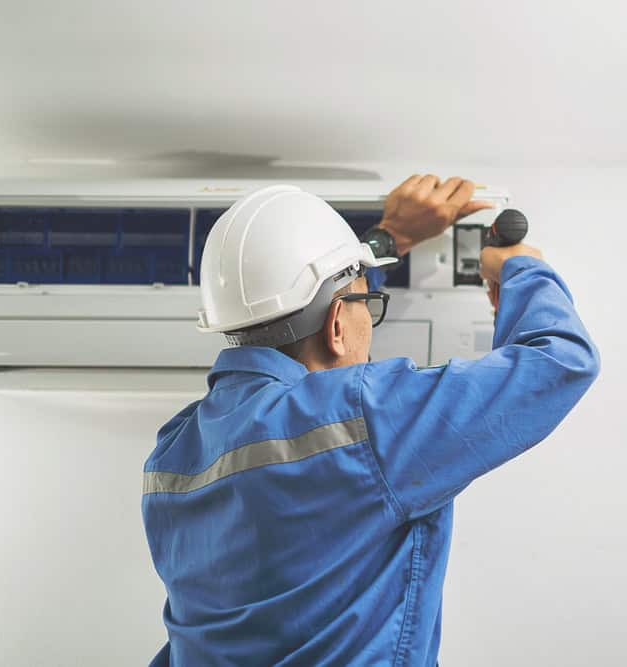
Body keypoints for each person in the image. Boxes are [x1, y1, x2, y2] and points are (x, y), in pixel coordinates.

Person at [142, 174, 600, 666]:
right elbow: (560, 362)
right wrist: (521, 270)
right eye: (368, 307)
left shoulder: (171, 455)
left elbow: (306, 311)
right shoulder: (365, 417)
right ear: (339, 325)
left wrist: (387, 240)